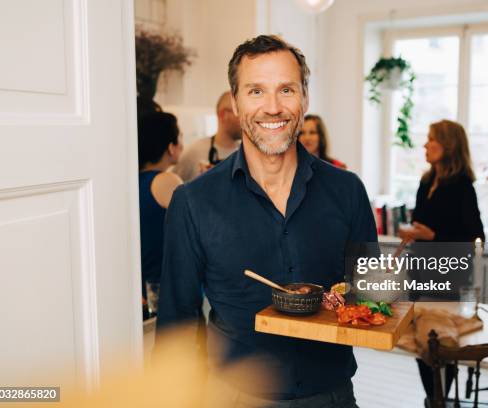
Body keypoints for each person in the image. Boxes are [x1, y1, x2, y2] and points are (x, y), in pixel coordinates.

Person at [157, 35, 376, 408]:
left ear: (305, 98)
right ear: (235, 101)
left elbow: (371, 294)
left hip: (331, 396)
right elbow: (177, 323)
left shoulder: (348, 190)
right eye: (256, 91)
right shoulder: (193, 201)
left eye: (286, 90)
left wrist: (407, 284)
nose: (272, 107)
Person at [398, 119, 484, 405]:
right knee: (421, 341)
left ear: (447, 145)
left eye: (430, 139)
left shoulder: (461, 186)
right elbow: (422, 223)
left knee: (442, 341)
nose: (425, 144)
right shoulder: (426, 181)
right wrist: (413, 232)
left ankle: (440, 398)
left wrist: (433, 235)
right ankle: (433, 398)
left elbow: (475, 236)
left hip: (447, 274)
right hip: (419, 270)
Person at [138, 112, 184, 300]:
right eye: (180, 138)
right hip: (161, 291)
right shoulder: (166, 181)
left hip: (140, 288)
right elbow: (200, 223)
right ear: (171, 147)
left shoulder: (131, 180)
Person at [173, 91, 242, 182]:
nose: (246, 119)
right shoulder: (194, 152)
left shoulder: (247, 155)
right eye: (240, 112)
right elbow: (173, 189)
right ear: (223, 115)